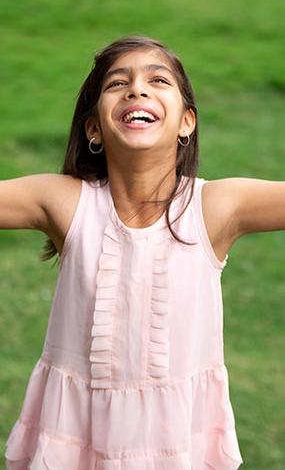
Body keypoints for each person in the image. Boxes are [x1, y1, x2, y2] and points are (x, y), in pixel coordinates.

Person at [3, 35, 284, 469]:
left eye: (157, 80)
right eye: (118, 83)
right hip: (76, 441)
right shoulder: (64, 201)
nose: (137, 89)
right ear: (93, 127)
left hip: (177, 443)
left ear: (186, 122)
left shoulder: (214, 208)